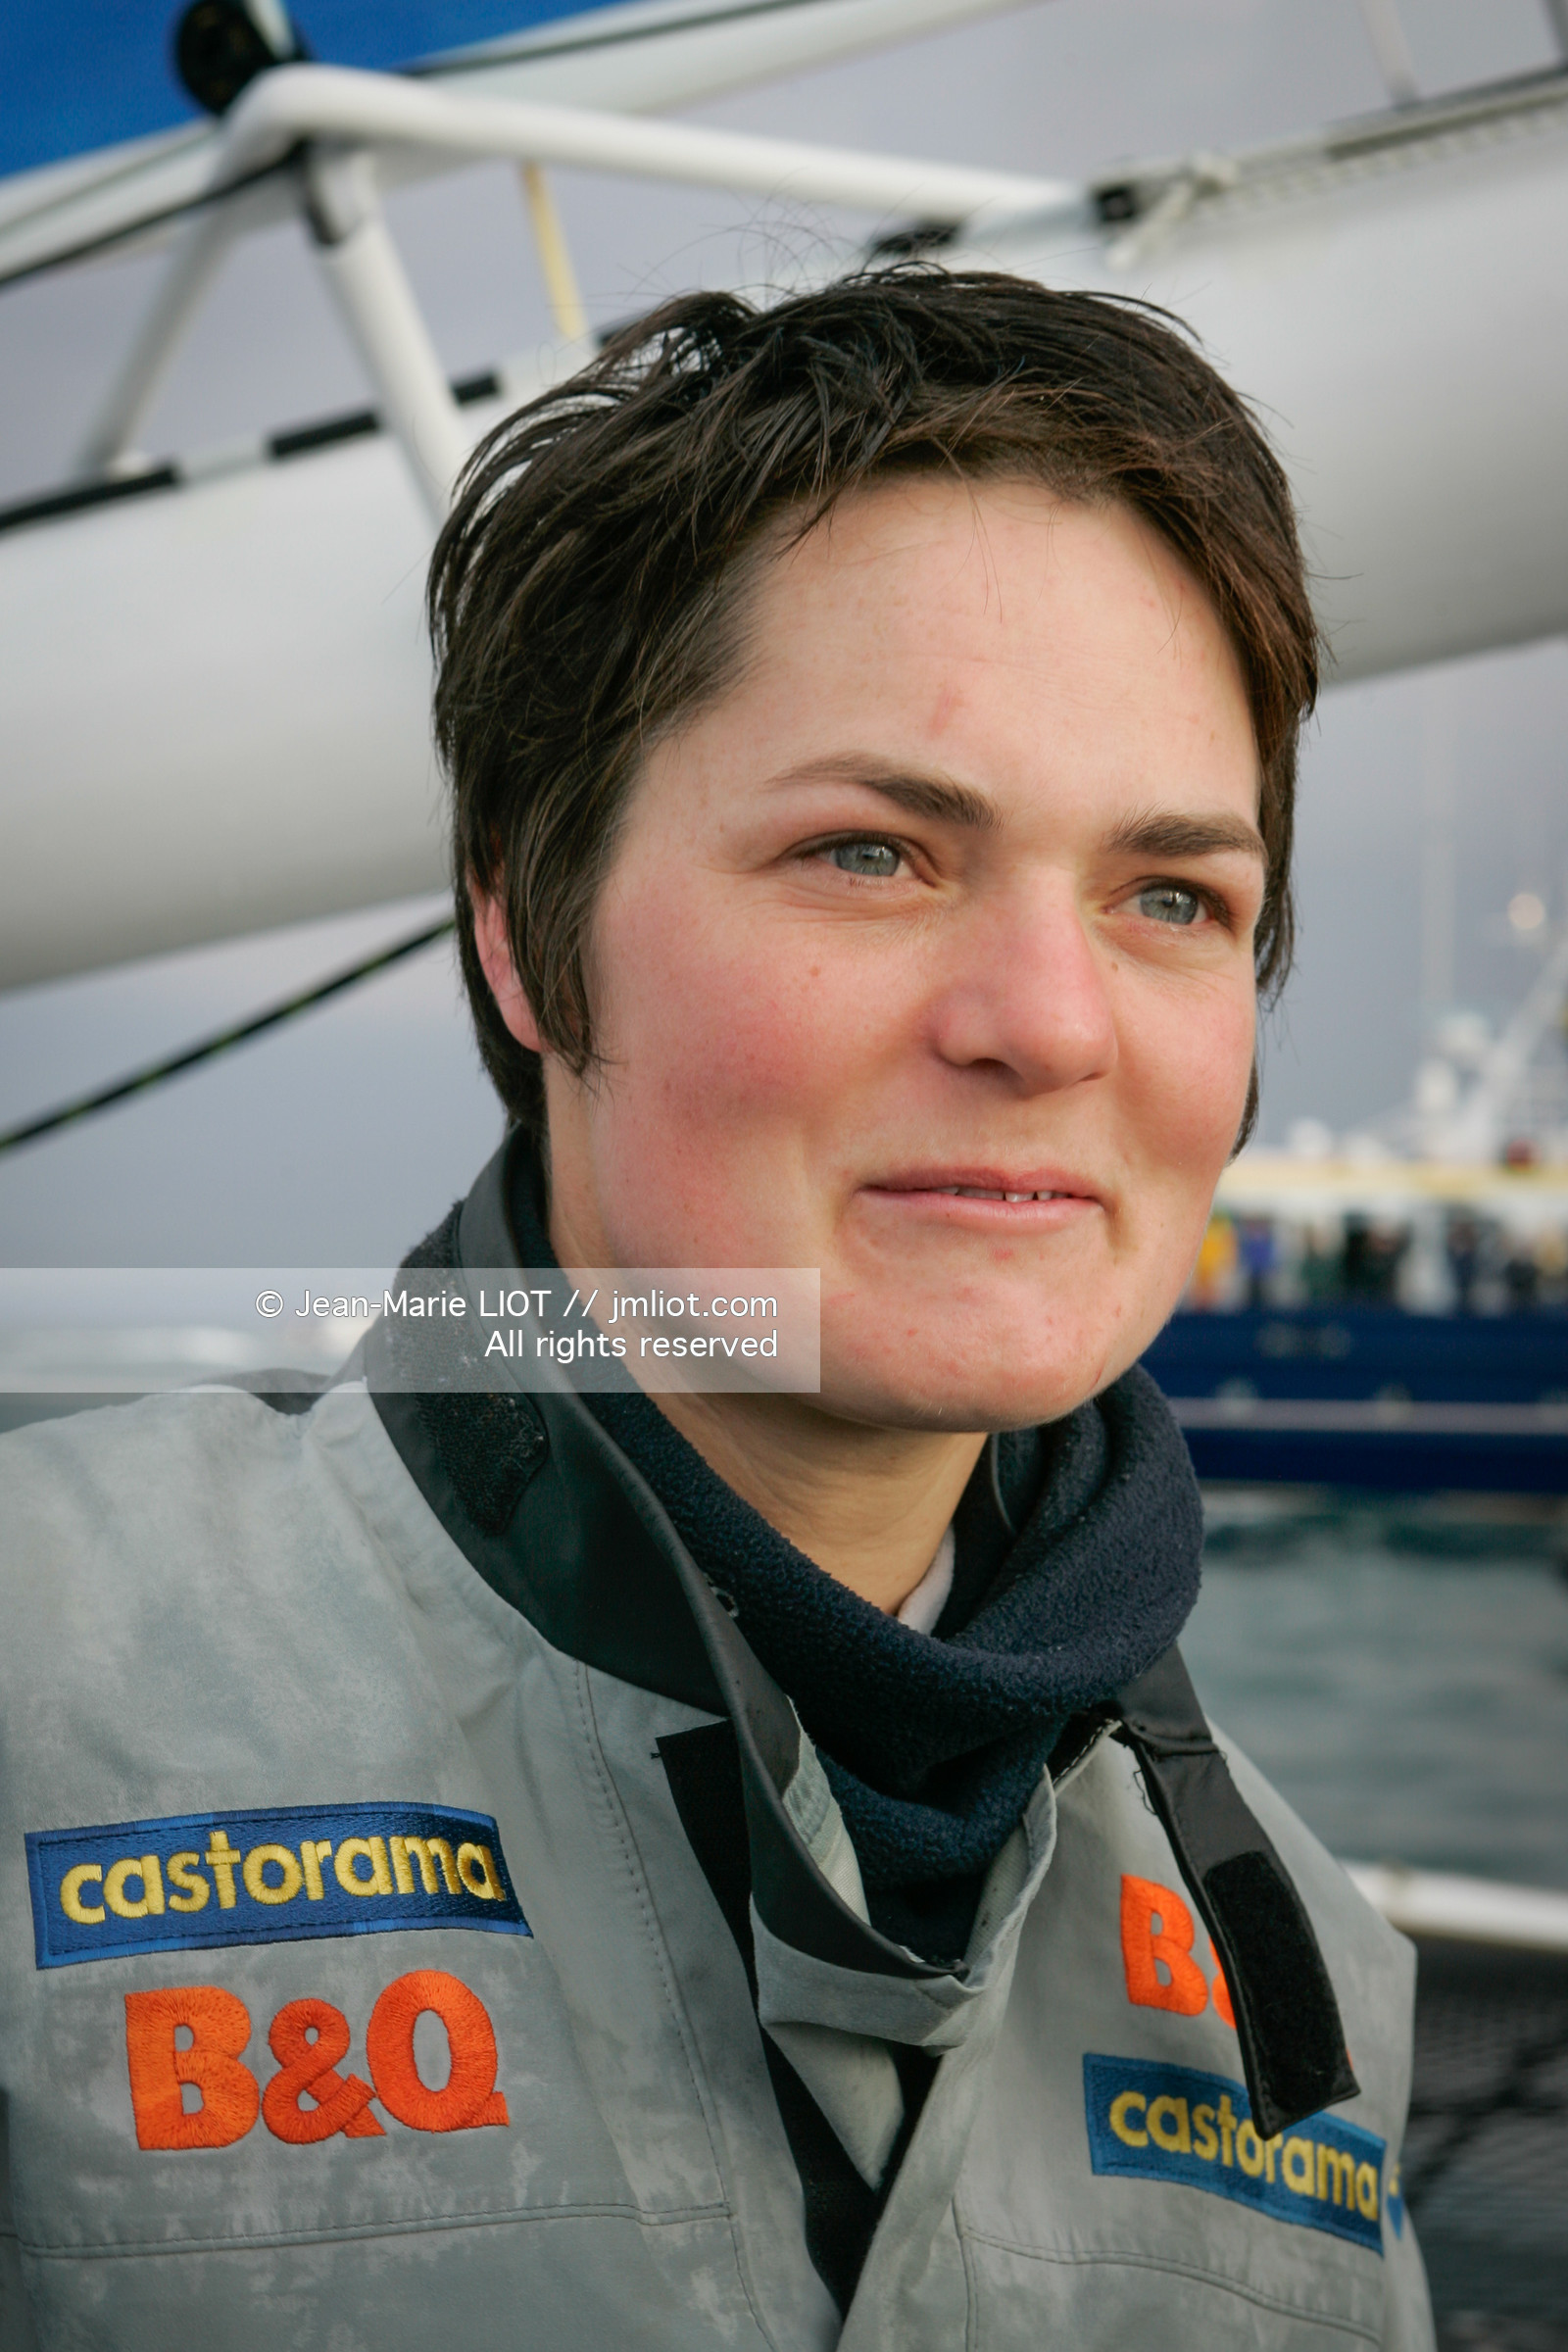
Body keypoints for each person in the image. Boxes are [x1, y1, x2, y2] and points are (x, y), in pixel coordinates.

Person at [0, 270, 1434, 2349]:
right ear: (525, 930)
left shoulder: (1298, 1978)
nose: (1045, 1023)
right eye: (868, 853)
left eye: (1167, 898)